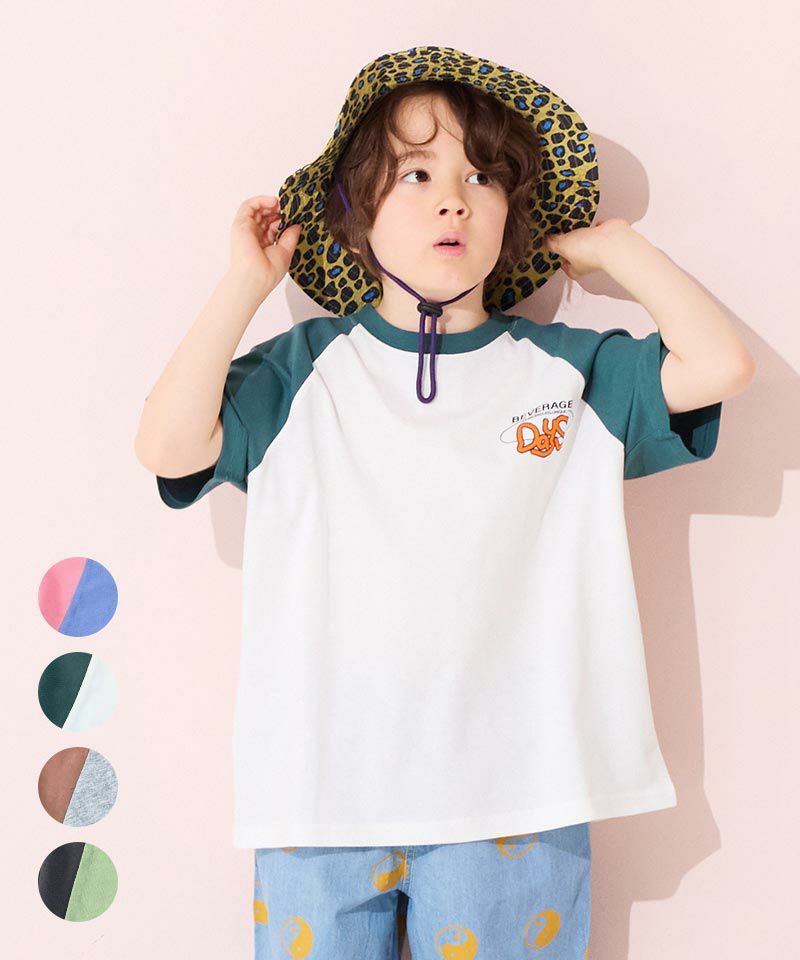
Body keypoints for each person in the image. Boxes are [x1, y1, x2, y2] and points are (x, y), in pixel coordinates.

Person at [134, 45, 754, 960]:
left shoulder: (566, 372)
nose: (453, 200)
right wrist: (244, 286)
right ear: (356, 210)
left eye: (482, 177)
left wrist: (621, 250)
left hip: (517, 797)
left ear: (514, 212)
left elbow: (720, 366)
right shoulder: (303, 372)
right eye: (416, 173)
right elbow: (167, 445)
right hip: (320, 796)